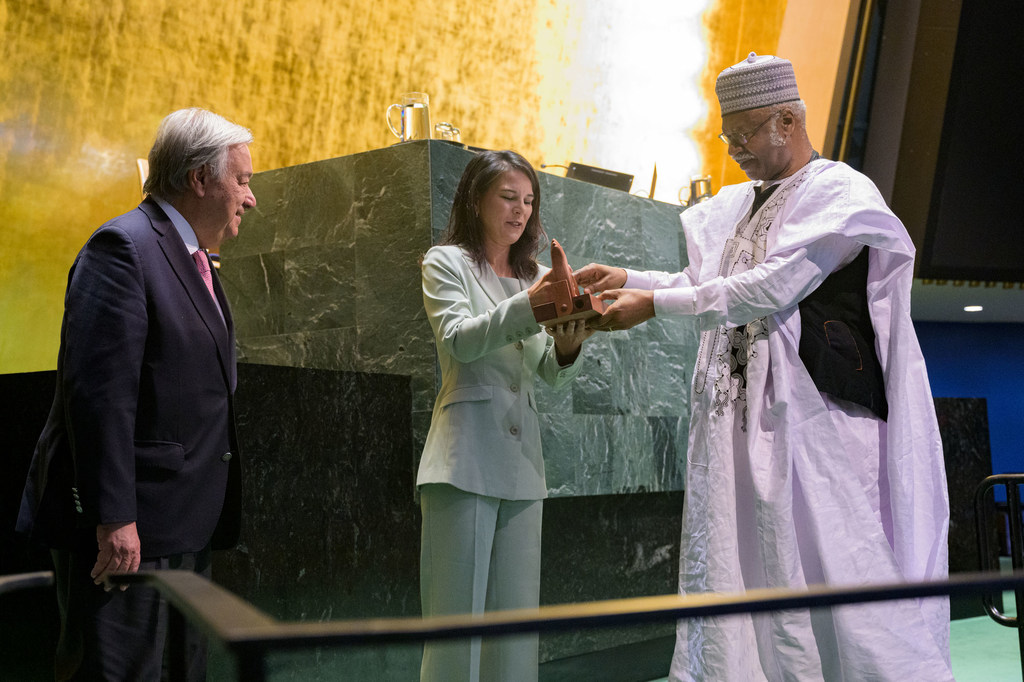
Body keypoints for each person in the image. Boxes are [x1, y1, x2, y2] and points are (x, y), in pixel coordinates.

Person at [575, 53, 952, 681]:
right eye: (728, 136)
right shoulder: (737, 204)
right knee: (739, 556)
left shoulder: (840, 194)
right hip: (737, 422)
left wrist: (653, 305)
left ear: (787, 118)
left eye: (745, 133)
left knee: (823, 560)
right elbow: (708, 281)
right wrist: (630, 279)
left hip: (813, 426)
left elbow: (770, 287)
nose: (735, 149)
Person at [16, 107, 256, 680]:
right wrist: (114, 516)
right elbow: (99, 396)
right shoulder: (122, 248)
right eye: (243, 180)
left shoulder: (198, 261)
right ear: (199, 179)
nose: (250, 199)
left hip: (183, 525)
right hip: (127, 534)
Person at [417, 150, 593, 682]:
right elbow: (459, 341)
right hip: (462, 461)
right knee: (455, 633)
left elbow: (547, 370)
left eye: (529, 201)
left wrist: (567, 346)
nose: (520, 211)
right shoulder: (445, 262)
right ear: (476, 199)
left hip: (522, 467)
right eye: (508, 198)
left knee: (515, 634)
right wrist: (531, 306)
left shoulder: (533, 276)